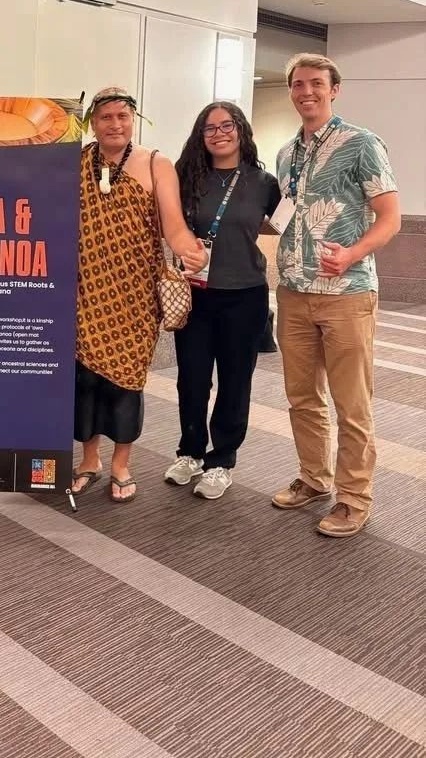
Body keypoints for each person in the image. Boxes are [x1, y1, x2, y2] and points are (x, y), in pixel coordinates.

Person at [271, 53, 400, 538]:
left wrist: (350, 254)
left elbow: (388, 217)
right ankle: (313, 477)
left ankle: (353, 497)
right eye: (298, 84)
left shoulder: (361, 143)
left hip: (346, 293)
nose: (306, 91)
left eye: (316, 84)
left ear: (334, 89)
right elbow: (288, 215)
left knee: (351, 403)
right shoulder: (287, 153)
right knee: (302, 397)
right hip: (293, 293)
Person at [72, 87, 207, 503]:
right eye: (106, 117)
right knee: (84, 380)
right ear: (92, 123)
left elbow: (173, 224)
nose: (115, 124)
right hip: (82, 290)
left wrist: (189, 249)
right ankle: (89, 460)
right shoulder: (75, 163)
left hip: (134, 293)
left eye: (123, 117)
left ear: (134, 120)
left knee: (126, 381)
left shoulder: (155, 163)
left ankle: (121, 464)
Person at [166, 102, 281, 499]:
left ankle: (222, 459)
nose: (218, 133)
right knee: (192, 380)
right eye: (209, 128)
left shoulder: (263, 182)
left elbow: (291, 224)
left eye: (226, 125)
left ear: (241, 130)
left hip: (245, 295)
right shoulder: (185, 178)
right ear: (201, 136)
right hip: (195, 295)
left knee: (235, 382)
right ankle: (191, 453)